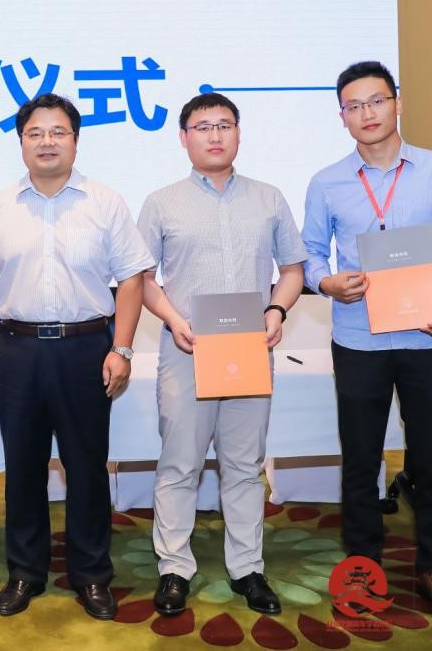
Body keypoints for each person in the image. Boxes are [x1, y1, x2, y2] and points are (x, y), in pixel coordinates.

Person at [301, 61, 432, 626]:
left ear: (397, 102)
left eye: (376, 101)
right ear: (342, 117)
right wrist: (327, 283)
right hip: (359, 340)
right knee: (360, 464)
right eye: (354, 106)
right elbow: (310, 255)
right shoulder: (327, 182)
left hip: (427, 339)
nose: (367, 113)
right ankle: (363, 569)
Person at [0, 93, 154, 621]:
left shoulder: (106, 202)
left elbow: (133, 279)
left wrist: (121, 347)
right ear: (21, 142)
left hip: (86, 348)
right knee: (23, 468)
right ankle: (24, 572)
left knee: (87, 467)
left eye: (58, 132)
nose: (46, 141)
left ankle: (91, 574)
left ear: (75, 140)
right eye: (35, 133)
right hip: (17, 349)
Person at [137, 93, 306, 618]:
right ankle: (174, 568)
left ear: (238, 132)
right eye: (202, 126)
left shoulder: (269, 199)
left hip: (249, 350)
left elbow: (293, 269)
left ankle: (247, 568)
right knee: (179, 463)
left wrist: (276, 310)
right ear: (183, 137)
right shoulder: (161, 202)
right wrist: (174, 319)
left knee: (244, 465)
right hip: (186, 349)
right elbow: (142, 279)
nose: (214, 135)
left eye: (224, 125)